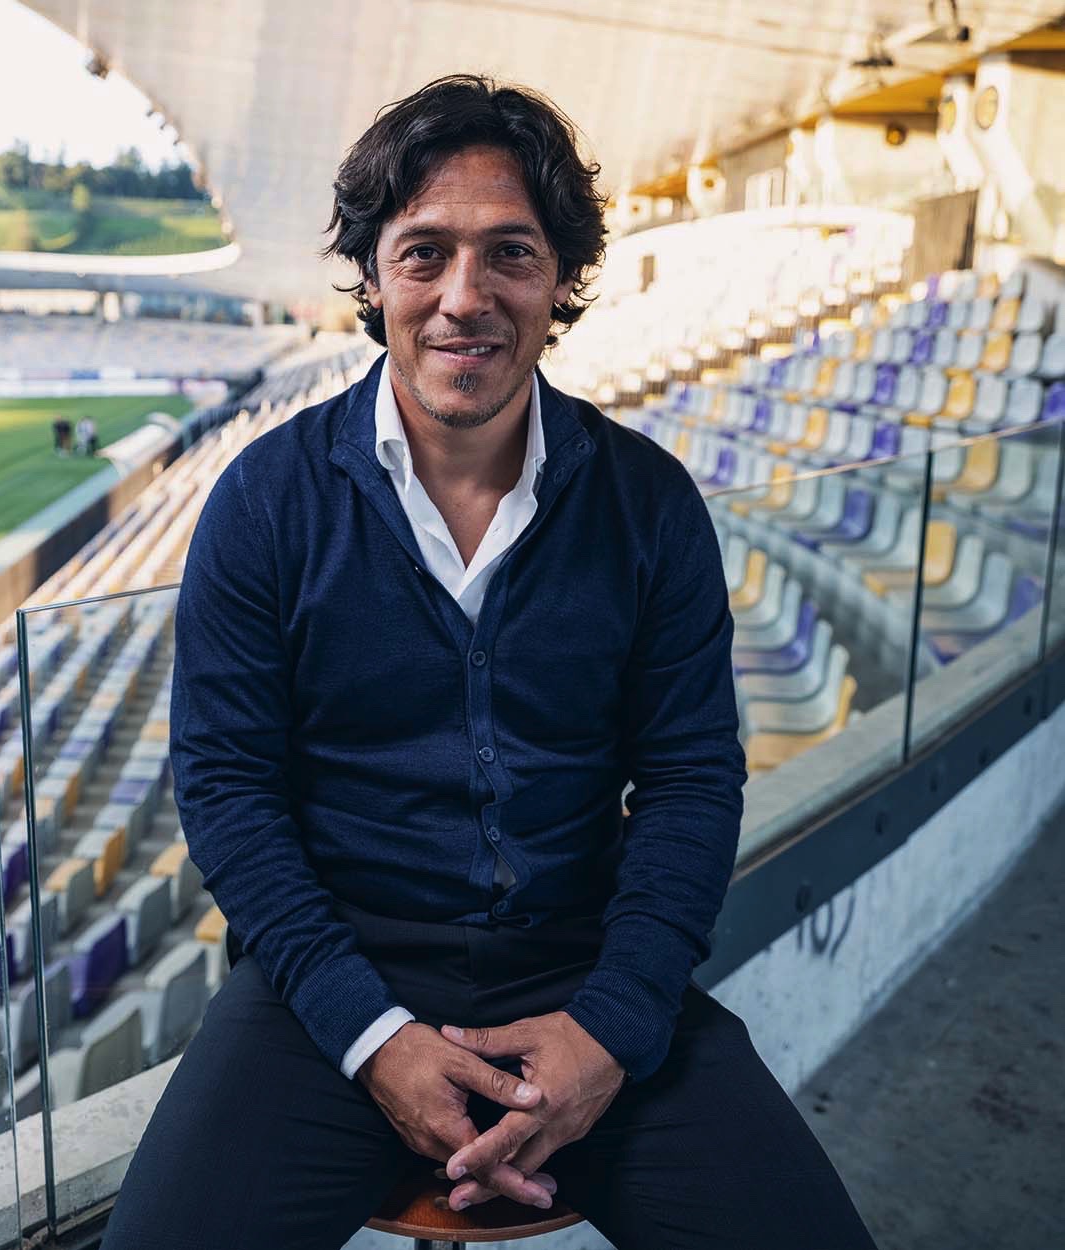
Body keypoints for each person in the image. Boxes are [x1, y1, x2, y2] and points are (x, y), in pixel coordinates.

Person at [101, 75, 876, 1250]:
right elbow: (227, 790)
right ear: (373, 276)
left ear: (560, 278)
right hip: (333, 986)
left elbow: (690, 782)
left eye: (509, 252)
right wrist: (373, 1036)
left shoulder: (649, 502)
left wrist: (611, 1027)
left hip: (584, 970)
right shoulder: (264, 501)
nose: (465, 297)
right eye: (425, 253)